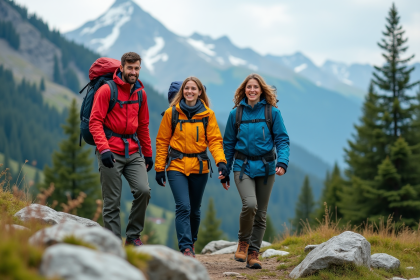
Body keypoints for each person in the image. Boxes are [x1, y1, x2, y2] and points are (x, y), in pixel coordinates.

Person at [154, 77, 228, 257]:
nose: (189, 91)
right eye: (187, 88)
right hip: (176, 166)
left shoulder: (207, 115)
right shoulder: (171, 113)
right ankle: (186, 248)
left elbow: (215, 141)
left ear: (200, 92)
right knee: (183, 207)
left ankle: (191, 241)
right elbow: (162, 141)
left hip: (199, 167)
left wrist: (221, 163)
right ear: (182, 91)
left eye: (193, 89)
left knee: (194, 210)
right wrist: (159, 168)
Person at [222, 74, 290, 269]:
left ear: (261, 90)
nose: (252, 90)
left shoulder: (272, 113)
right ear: (244, 90)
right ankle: (243, 242)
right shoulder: (235, 114)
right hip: (241, 167)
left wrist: (282, 162)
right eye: (249, 87)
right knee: (250, 204)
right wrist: (225, 169)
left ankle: (253, 253)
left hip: (267, 167)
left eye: (255, 87)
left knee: (260, 213)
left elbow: (282, 140)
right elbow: (228, 144)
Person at [90, 52, 153, 246]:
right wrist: (104, 149)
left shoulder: (140, 93)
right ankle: (113, 243)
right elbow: (95, 122)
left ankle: (133, 237)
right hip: (110, 151)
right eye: (130, 68)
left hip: (133, 152)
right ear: (122, 67)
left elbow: (143, 126)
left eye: (136, 68)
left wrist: (148, 154)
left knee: (144, 191)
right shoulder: (107, 90)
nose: (133, 72)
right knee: (112, 201)